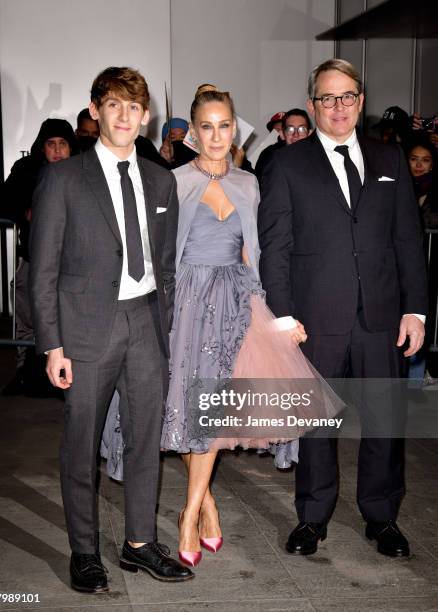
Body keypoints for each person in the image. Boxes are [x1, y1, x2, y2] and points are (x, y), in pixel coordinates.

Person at [103, 84, 343, 567]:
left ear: (236, 129)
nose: (216, 136)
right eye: (207, 127)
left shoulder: (250, 183)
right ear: (193, 132)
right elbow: (157, 253)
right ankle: (206, 505)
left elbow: (255, 252)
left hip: (236, 303)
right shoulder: (173, 181)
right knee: (191, 411)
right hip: (184, 303)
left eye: (224, 126)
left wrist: (274, 316)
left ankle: (189, 514)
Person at [29, 66, 193, 591]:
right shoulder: (62, 178)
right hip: (84, 330)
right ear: (96, 110)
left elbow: (164, 264)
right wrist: (52, 344)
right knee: (82, 444)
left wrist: (164, 327)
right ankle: (84, 551)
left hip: (145, 322)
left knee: (146, 440)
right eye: (114, 105)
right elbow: (44, 271)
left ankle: (139, 544)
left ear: (146, 118)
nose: (125, 116)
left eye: (134, 107)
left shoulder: (160, 178)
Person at [258, 58, 428, 558]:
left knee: (384, 421)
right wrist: (283, 315)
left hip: (382, 319)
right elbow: (277, 247)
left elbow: (407, 240)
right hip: (315, 323)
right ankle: (311, 518)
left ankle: (382, 517)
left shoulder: (391, 161)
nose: (338, 107)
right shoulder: (286, 164)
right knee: (316, 426)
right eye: (327, 98)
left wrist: (415, 309)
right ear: (313, 107)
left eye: (347, 96)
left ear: (361, 100)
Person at [0, 119, 78, 396]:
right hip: (33, 261)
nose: (57, 150)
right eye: (51, 144)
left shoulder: (83, 171)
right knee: (28, 319)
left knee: (70, 323)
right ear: (42, 148)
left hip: (73, 267)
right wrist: (26, 210)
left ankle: (69, 378)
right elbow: (2, 202)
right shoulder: (27, 170)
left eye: (63, 144)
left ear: (71, 146)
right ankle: (24, 372)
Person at [407, 139, 438, 385]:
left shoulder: (433, 191)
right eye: (414, 158)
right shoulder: (397, 186)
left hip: (430, 268)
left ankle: (416, 379)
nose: (418, 164)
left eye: (425, 160)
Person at [255, 109, 312, 181]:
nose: (295, 134)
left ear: (309, 133)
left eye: (301, 129)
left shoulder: (317, 157)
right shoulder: (270, 155)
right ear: (282, 134)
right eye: (290, 129)